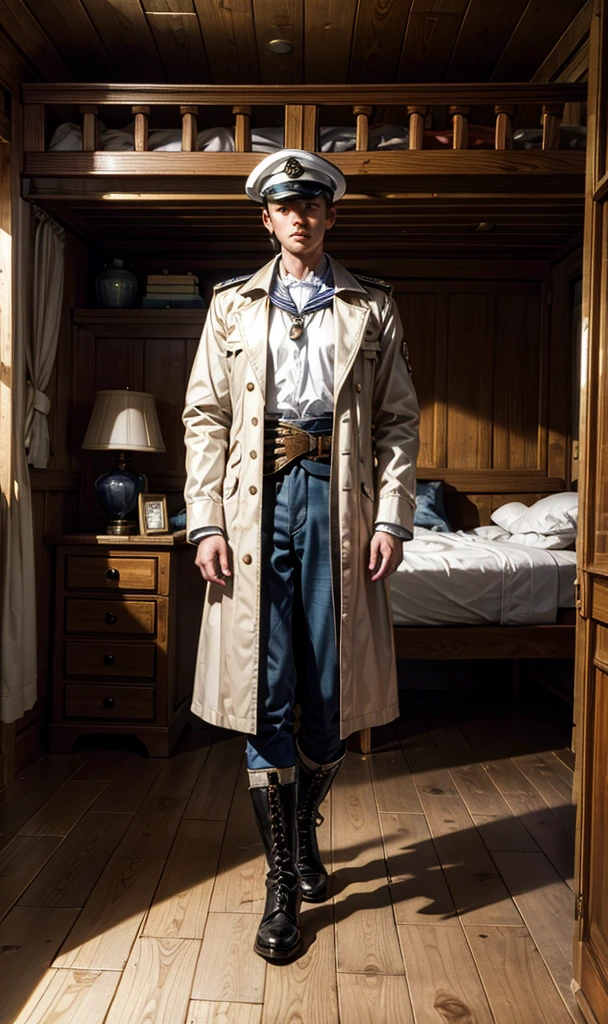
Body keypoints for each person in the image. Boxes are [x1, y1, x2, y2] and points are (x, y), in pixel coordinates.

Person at [182, 149, 420, 963]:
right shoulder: (229, 308)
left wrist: (392, 517)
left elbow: (397, 422)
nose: (300, 218)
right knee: (262, 685)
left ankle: (303, 825)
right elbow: (205, 418)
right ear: (267, 219)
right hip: (256, 507)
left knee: (327, 693)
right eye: (286, 207)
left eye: (313, 206)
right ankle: (284, 879)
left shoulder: (373, 305)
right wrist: (205, 522)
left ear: (329, 216)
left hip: (338, 499)